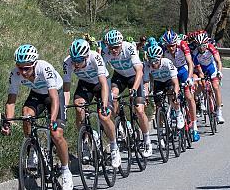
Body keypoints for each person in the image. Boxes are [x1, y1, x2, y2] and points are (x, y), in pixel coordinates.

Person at [1, 44, 73, 190]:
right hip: (37, 95)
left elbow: (54, 98)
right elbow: (11, 101)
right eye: (20, 68)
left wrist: (52, 120)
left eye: (27, 68)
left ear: (34, 64)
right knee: (26, 114)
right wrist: (8, 122)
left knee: (56, 134)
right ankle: (33, 147)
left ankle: (66, 171)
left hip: (54, 94)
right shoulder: (15, 74)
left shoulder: (44, 68)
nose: (23, 72)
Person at [63, 38, 121, 168]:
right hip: (85, 84)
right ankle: (86, 138)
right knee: (79, 108)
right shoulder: (67, 62)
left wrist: (105, 104)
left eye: (79, 61)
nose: (76, 64)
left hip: (101, 84)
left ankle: (114, 147)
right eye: (74, 60)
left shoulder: (95, 57)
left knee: (104, 116)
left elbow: (104, 84)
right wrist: (64, 107)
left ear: (87, 56)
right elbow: (66, 88)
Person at [102, 29, 153, 158]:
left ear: (121, 44)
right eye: (111, 47)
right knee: (112, 96)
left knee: (139, 110)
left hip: (134, 77)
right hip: (119, 76)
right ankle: (121, 122)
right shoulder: (106, 51)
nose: (113, 50)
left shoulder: (129, 48)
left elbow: (140, 71)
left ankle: (147, 140)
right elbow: (101, 71)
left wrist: (134, 89)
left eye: (116, 47)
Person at [161, 29, 200, 141]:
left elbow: (190, 63)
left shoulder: (182, 45)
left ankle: (194, 126)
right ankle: (176, 113)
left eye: (172, 45)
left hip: (183, 69)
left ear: (176, 43)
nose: (171, 48)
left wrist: (189, 77)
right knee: (171, 93)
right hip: (171, 71)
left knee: (188, 96)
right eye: (168, 46)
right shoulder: (164, 49)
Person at [144, 45, 185, 130]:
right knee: (158, 106)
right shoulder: (147, 65)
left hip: (169, 80)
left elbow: (175, 81)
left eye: (155, 60)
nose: (153, 63)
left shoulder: (167, 62)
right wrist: (146, 95)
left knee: (172, 95)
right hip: (158, 83)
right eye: (151, 60)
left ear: (160, 58)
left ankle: (178, 113)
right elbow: (146, 82)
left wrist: (176, 93)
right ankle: (161, 130)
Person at [192, 33, 225, 124]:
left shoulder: (211, 48)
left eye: (203, 45)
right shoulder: (195, 53)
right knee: (202, 85)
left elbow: (218, 61)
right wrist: (202, 80)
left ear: (206, 44)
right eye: (199, 45)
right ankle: (203, 99)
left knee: (215, 86)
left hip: (211, 68)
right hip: (202, 69)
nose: (201, 47)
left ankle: (219, 112)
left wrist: (219, 71)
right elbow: (199, 70)